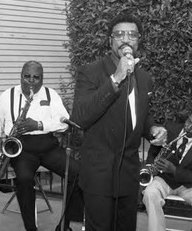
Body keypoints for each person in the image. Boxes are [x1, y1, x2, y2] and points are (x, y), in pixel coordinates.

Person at [71, 13, 167, 231]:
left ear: (138, 40)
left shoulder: (144, 78)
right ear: (110, 41)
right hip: (99, 172)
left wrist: (152, 128)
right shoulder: (90, 72)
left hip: (129, 173)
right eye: (119, 34)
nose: (126, 39)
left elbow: (139, 115)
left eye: (132, 34)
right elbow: (80, 116)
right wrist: (116, 78)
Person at [0, 60, 83, 231]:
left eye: (36, 78)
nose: (31, 81)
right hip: (21, 149)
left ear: (42, 78)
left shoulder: (50, 94)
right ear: (21, 76)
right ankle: (31, 228)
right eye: (27, 76)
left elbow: (64, 122)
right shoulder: (8, 95)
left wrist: (39, 125)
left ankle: (65, 224)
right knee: (24, 180)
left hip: (48, 146)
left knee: (77, 173)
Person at [142, 105, 192, 231]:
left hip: (190, 185)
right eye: (189, 121)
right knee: (150, 193)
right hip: (164, 179)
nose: (188, 126)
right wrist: (151, 168)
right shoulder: (169, 128)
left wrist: (175, 170)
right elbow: (153, 152)